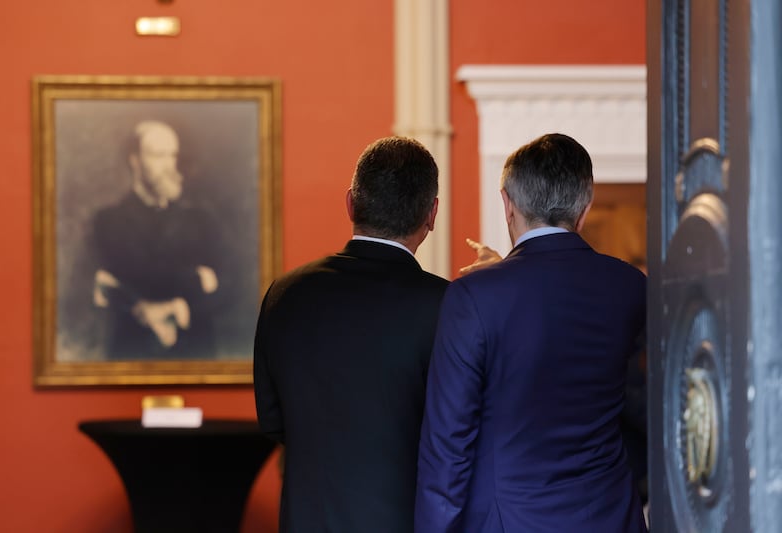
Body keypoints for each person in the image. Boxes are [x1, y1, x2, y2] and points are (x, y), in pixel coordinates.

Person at [415, 133, 647, 532]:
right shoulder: (631, 286)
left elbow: (448, 444)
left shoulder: (473, 297)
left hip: (510, 520)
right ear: (585, 207)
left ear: (507, 204)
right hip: (611, 516)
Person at [253, 136, 448, 533]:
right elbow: (459, 435)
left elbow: (272, 420)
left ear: (350, 204)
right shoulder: (449, 306)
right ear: (432, 213)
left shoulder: (284, 294)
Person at [92, 120, 226, 360]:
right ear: (135, 160)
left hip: (196, 353)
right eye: (158, 155)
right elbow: (108, 285)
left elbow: (233, 283)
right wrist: (195, 278)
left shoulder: (200, 220)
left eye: (172, 155)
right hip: (132, 353)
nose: (168, 165)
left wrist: (183, 308)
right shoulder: (108, 221)